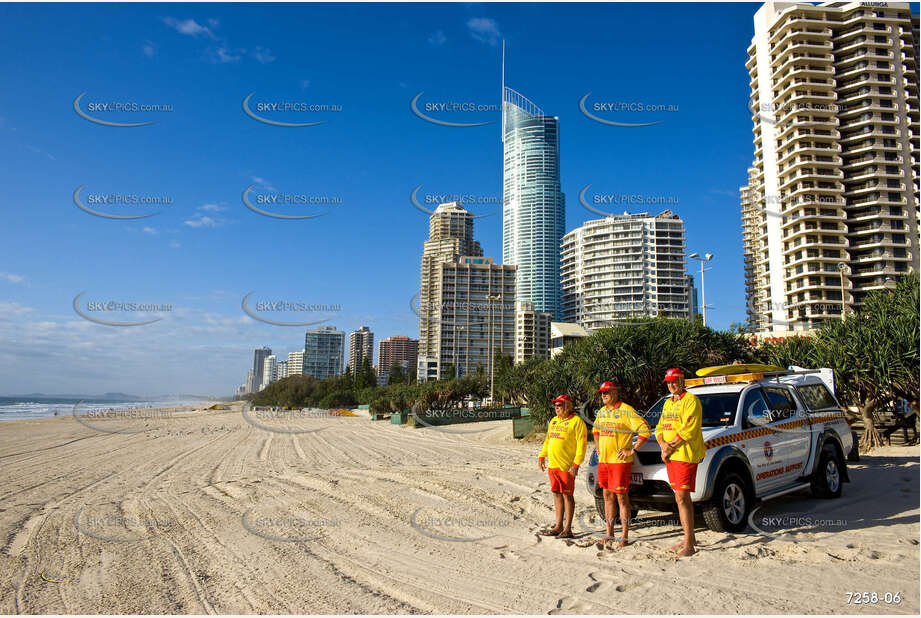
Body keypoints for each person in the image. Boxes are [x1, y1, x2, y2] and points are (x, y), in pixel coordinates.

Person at [592, 380, 650, 548]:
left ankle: (624, 536)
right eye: (602, 393)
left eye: (607, 392)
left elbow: (644, 429)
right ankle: (609, 533)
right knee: (607, 496)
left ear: (615, 392)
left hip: (619, 462)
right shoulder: (602, 411)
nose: (604, 395)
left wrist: (632, 449)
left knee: (621, 498)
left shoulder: (626, 410)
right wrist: (597, 446)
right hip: (604, 462)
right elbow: (595, 430)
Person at [655, 368, 705, 558]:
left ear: (682, 380)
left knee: (682, 497)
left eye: (674, 381)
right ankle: (688, 539)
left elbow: (689, 429)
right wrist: (662, 445)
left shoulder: (691, 400)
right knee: (679, 497)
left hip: (684, 455)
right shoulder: (668, 403)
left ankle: (690, 544)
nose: (671, 385)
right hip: (670, 456)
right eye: (668, 382)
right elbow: (659, 427)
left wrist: (670, 446)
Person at [538, 394, 587, 539]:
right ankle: (558, 526)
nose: (557, 408)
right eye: (556, 405)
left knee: (567, 495)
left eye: (560, 405)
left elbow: (581, 446)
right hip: (553, 465)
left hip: (566, 466)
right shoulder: (553, 421)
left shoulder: (577, 422)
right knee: (556, 494)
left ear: (568, 406)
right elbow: (548, 441)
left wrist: (576, 464)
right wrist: (542, 456)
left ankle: (568, 529)